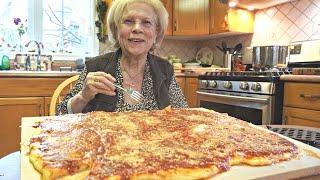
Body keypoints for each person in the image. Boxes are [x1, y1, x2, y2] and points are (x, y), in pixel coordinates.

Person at [56, 0, 188, 115]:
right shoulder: (95, 67)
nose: (137, 28)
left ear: (156, 32)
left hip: (155, 142)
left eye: (146, 22)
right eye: (128, 21)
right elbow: (61, 114)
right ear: (116, 29)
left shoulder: (164, 69)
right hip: (104, 143)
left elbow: (184, 115)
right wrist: (82, 97)